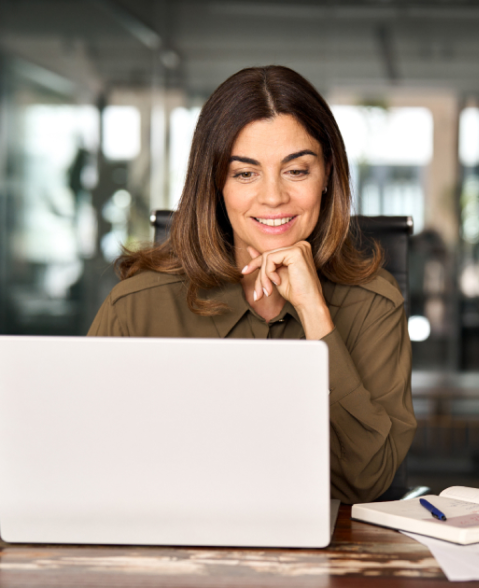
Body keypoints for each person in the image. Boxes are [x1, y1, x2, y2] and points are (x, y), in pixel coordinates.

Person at [88, 66, 416, 504]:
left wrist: (316, 316)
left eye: (296, 170)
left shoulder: (374, 305)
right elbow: (85, 466)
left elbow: (366, 481)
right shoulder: (135, 309)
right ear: (215, 184)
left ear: (327, 175)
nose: (273, 197)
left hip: (325, 546)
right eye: (245, 174)